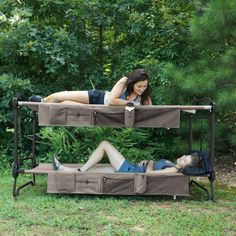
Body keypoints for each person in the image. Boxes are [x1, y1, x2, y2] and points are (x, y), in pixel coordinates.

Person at [52, 141, 200, 174]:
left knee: (104, 144)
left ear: (186, 167)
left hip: (130, 171)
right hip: (133, 168)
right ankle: (62, 169)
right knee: (95, 169)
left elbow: (149, 174)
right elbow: (151, 165)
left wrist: (149, 162)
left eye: (184, 160)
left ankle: (78, 172)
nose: (182, 158)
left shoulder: (173, 170)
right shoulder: (171, 164)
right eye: (184, 156)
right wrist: (149, 162)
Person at [29, 68, 152, 106]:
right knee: (59, 96)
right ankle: (42, 101)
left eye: (144, 86)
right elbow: (111, 101)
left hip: (99, 111)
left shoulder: (145, 95)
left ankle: (42, 106)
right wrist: (131, 104)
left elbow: (152, 111)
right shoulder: (124, 81)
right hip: (97, 97)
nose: (142, 89)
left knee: (64, 103)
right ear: (133, 83)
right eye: (139, 86)